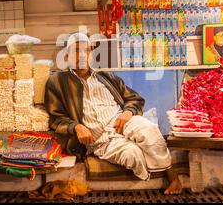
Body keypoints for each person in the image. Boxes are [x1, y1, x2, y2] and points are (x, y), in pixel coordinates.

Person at [44, 33, 182, 195]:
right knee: (133, 155)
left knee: (148, 128)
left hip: (122, 122)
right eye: (77, 51)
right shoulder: (58, 81)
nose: (82, 55)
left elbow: (135, 100)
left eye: (86, 51)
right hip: (101, 140)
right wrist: (76, 127)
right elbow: (56, 118)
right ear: (67, 56)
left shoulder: (106, 77)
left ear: (91, 55)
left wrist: (128, 113)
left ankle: (172, 176)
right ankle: (150, 178)